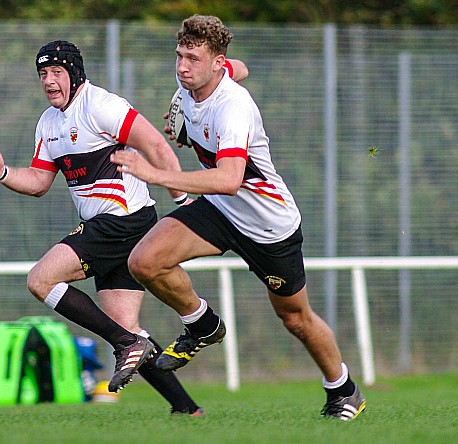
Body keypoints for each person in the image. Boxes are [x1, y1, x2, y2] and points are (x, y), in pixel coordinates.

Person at [0, 40, 243, 415]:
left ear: (75, 73)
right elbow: (38, 182)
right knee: (127, 326)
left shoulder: (102, 106)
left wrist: (181, 201)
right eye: (43, 74)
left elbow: (157, 147)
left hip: (124, 222)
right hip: (107, 226)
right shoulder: (48, 123)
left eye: (56, 72)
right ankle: (187, 409)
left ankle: (124, 344)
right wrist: (2, 172)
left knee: (41, 281)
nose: (48, 81)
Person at [110, 15, 367, 421]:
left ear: (215, 62)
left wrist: (155, 173)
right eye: (179, 56)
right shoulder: (196, 81)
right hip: (220, 210)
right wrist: (185, 123)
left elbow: (229, 179)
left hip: (268, 226)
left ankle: (344, 390)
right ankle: (202, 325)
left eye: (193, 58)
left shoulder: (234, 107)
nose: (182, 66)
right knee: (145, 261)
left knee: (295, 318)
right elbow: (239, 69)